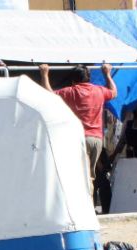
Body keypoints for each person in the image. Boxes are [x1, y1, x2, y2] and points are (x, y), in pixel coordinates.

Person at [39, 63, 117, 194]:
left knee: (79, 177)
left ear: (73, 80)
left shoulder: (71, 91)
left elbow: (49, 95)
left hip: (79, 139)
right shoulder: (99, 90)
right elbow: (114, 92)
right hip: (97, 140)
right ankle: (88, 206)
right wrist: (107, 74)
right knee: (89, 177)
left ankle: (84, 208)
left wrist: (44, 74)